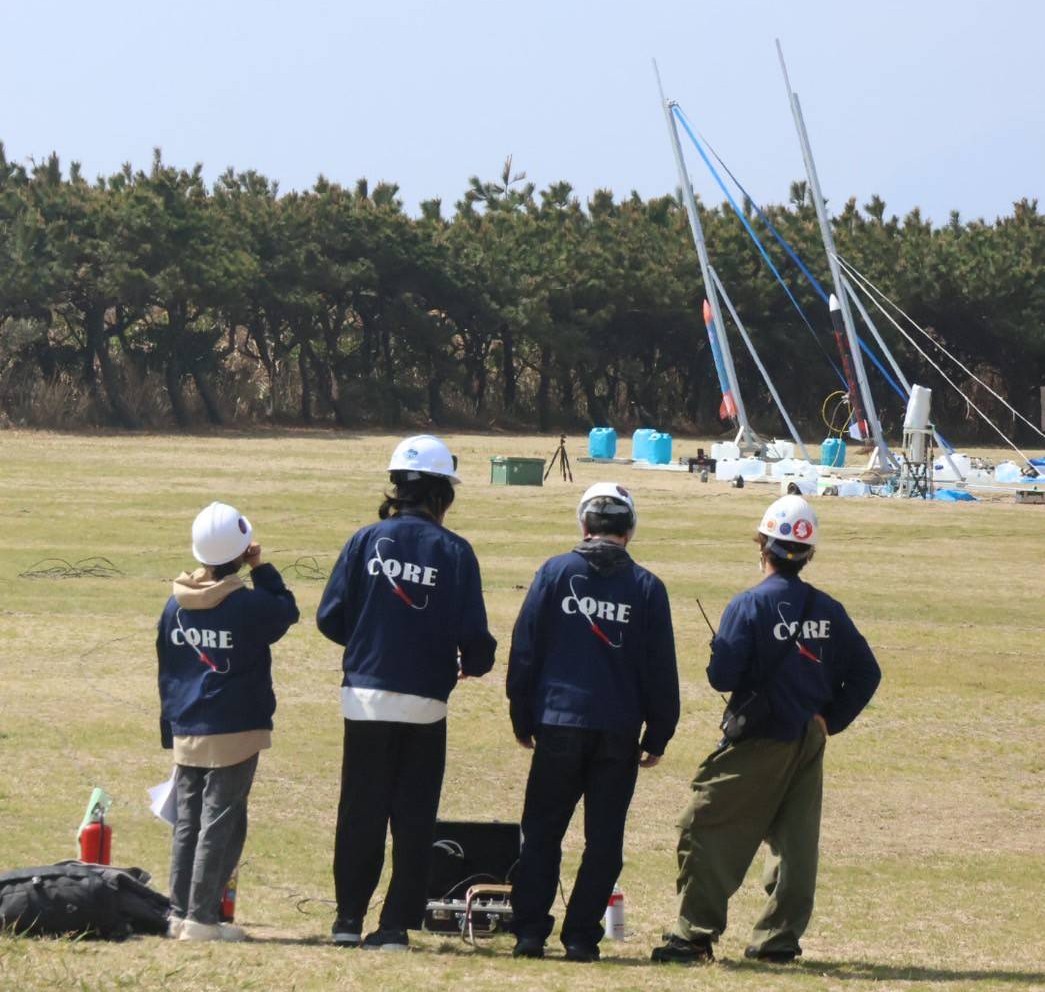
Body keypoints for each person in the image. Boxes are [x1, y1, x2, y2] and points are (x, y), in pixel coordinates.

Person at [652, 494, 881, 965]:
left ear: (763, 546)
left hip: (759, 737)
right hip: (809, 738)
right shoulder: (828, 608)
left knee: (705, 824)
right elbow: (866, 672)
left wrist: (720, 652)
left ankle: (693, 935)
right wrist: (830, 719)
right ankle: (778, 941)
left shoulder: (749, 604)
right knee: (795, 843)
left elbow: (722, 677)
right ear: (807, 553)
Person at [317, 435, 496, 951]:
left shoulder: (363, 540)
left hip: (364, 698)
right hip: (425, 704)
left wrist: (370, 640)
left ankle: (347, 920)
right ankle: (395, 925)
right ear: (443, 495)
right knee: (413, 819)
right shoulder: (456, 552)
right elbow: (475, 638)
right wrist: (473, 663)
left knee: (360, 813)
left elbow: (330, 617)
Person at [507, 482, 680, 963]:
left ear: (584, 525)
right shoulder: (647, 587)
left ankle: (529, 932)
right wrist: (659, 732)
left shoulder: (555, 572)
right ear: (630, 529)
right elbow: (660, 668)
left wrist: (522, 714)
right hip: (617, 731)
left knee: (542, 832)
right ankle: (581, 937)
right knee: (604, 840)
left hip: (558, 723)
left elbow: (525, 648)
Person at [157, 501, 300, 942]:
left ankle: (179, 912)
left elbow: (167, 668)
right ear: (240, 552)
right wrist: (262, 567)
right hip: (235, 728)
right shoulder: (247, 605)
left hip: (188, 725)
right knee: (221, 822)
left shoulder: (174, 605)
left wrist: (170, 727)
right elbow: (286, 610)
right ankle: (202, 918)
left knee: (188, 822)